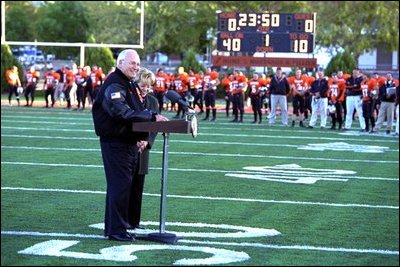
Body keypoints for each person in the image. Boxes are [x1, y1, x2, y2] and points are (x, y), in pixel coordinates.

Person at [92, 49, 168, 242]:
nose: (136, 67)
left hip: (127, 142)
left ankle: (118, 227)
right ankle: (117, 230)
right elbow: (121, 112)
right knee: (120, 186)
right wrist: (152, 116)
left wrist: (146, 129)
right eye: (132, 63)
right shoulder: (115, 84)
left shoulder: (127, 83)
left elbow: (137, 109)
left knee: (123, 186)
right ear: (120, 63)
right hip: (116, 142)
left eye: (138, 63)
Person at [128, 67, 161, 230]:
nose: (146, 90)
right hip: (128, 145)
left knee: (138, 186)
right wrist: (135, 140)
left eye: (149, 87)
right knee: (125, 184)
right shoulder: (129, 98)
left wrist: (146, 142)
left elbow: (155, 125)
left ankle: (135, 221)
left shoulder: (153, 101)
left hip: (144, 148)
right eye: (143, 86)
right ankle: (122, 220)